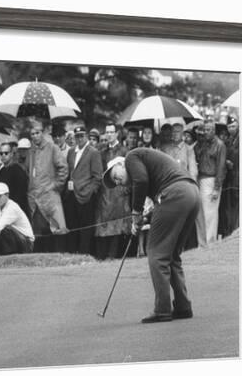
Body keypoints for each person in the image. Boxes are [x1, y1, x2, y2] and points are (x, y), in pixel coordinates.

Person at [103, 148, 200, 323]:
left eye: (114, 175)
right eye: (114, 182)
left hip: (176, 193)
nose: (116, 182)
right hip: (191, 193)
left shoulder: (131, 158)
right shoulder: (144, 166)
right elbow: (152, 193)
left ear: (120, 164)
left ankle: (162, 310)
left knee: (157, 254)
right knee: (172, 256)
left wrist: (136, 212)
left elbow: (141, 180)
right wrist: (141, 216)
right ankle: (183, 306)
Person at [26, 119, 69, 252]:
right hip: (35, 198)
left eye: (37, 133)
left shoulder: (52, 148)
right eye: (32, 134)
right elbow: (30, 172)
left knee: (56, 230)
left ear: (43, 133)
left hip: (50, 197)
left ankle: (57, 259)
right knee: (39, 232)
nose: (34, 136)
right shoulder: (31, 151)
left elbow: (63, 168)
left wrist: (55, 186)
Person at [64, 125, 103, 255]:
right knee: (72, 226)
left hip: (86, 195)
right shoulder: (71, 152)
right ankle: (73, 254)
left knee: (85, 228)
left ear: (86, 136)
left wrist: (90, 191)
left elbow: (98, 177)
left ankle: (84, 254)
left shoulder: (93, 152)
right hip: (72, 194)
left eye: (81, 136)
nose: (79, 139)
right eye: (77, 136)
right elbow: (70, 172)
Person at [94, 128, 131, 260]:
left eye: (111, 132)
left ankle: (113, 254)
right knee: (104, 224)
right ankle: (102, 254)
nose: (109, 135)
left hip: (120, 192)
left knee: (118, 225)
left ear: (116, 134)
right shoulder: (102, 152)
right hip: (105, 192)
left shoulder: (124, 151)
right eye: (107, 132)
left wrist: (126, 188)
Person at [194, 119, 227, 247]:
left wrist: (216, 188)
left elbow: (221, 167)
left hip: (212, 180)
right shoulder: (202, 143)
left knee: (210, 215)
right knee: (201, 214)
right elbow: (195, 153)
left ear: (213, 131)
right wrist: (199, 137)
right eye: (204, 130)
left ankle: (210, 243)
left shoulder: (220, 145)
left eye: (208, 130)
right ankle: (202, 243)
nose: (206, 132)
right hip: (200, 179)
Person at [0, 142, 30, 217]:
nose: (3, 156)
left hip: (17, 211)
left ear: (11, 154)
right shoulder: (2, 171)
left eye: (6, 153)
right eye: (1, 153)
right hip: (5, 210)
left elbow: (21, 194)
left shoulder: (18, 170)